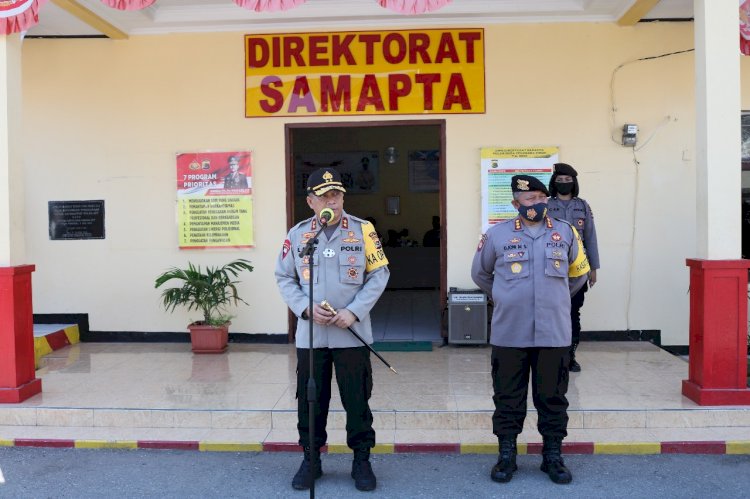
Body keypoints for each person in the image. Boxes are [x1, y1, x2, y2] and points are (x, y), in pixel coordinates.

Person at [275, 167, 389, 492]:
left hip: (351, 335)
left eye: (336, 194)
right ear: (311, 201)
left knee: (356, 400)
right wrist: (305, 308)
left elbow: (379, 274)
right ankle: (311, 459)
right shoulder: (298, 235)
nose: (332, 201)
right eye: (324, 196)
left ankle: (362, 459)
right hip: (312, 336)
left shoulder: (363, 230)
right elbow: (284, 277)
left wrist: (354, 312)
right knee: (311, 400)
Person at [471, 174, 589, 485]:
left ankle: (552, 455)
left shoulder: (566, 233)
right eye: (529, 200)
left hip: (554, 333)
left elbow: (578, 276)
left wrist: (556, 298)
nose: (536, 204)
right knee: (508, 397)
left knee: (552, 397)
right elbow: (480, 274)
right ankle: (507, 454)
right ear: (515, 204)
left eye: (540, 198)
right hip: (510, 332)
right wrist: (505, 297)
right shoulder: (497, 234)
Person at [546, 163, 600, 372]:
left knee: (572, 312)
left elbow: (591, 238)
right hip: (551, 268)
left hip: (577, 270)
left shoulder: (583, 206)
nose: (564, 184)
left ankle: (570, 355)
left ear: (574, 183)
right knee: (551, 311)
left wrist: (593, 268)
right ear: (554, 183)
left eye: (568, 181)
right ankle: (552, 353)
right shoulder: (547, 206)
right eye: (560, 181)